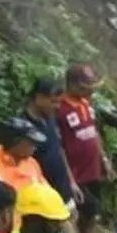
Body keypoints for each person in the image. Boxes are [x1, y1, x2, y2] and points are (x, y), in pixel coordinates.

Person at [57, 64, 117, 233]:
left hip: (93, 170)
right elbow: (60, 147)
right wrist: (70, 179)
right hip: (76, 174)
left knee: (92, 217)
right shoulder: (60, 109)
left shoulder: (85, 104)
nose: (90, 92)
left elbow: (94, 133)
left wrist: (104, 160)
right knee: (81, 216)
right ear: (72, 85)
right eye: (85, 88)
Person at [25, 77, 78, 207]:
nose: (58, 107)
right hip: (45, 200)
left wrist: (71, 182)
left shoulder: (50, 118)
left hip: (64, 192)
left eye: (59, 102)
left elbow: (59, 150)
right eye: (53, 102)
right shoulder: (25, 128)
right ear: (39, 98)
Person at [0, 116, 51, 197]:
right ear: (15, 142)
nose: (34, 147)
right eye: (31, 142)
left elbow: (48, 193)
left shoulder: (31, 163)